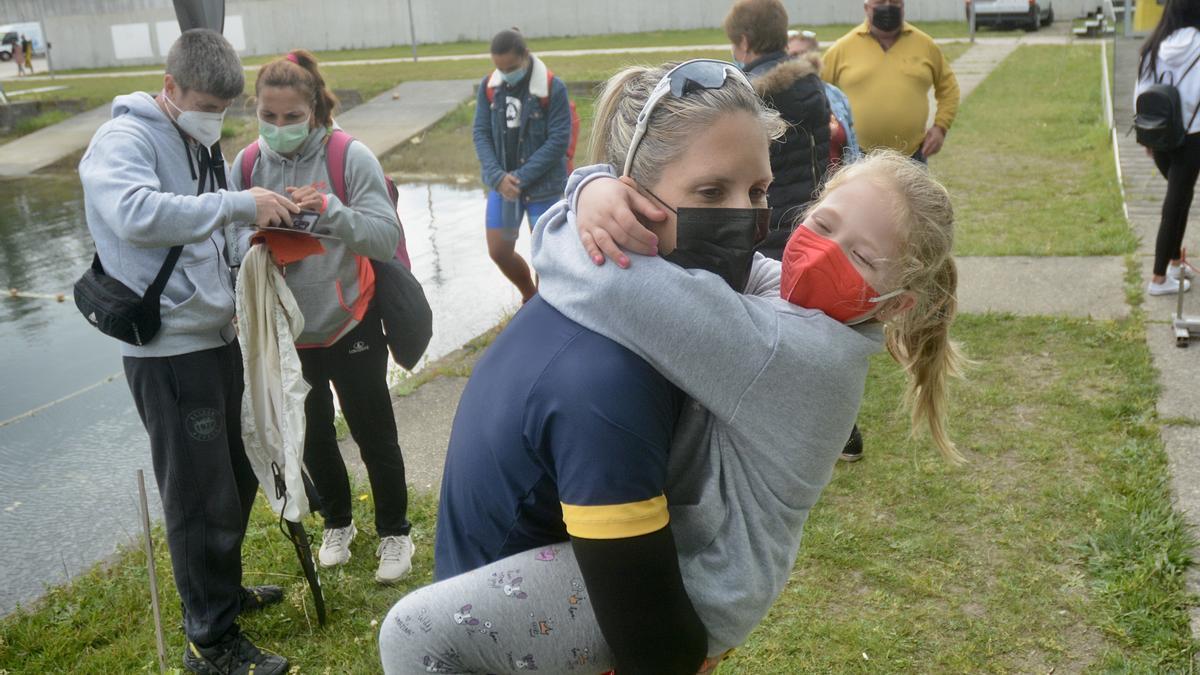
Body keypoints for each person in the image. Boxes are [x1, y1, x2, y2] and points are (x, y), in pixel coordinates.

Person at [380, 59, 962, 675]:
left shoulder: (791, 355)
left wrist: (583, 201)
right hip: (692, 573)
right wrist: (602, 188)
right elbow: (734, 280)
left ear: (894, 305)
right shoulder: (802, 311)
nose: (823, 255)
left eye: (863, 259)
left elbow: (611, 283)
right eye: (821, 224)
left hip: (694, 591)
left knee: (412, 633)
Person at [78, 28, 298, 674]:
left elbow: (209, 228)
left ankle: (219, 593)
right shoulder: (123, 141)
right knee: (199, 498)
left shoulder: (196, 138)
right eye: (205, 103)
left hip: (216, 336)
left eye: (225, 109)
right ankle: (211, 639)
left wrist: (252, 233)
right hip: (169, 354)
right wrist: (238, 202)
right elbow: (137, 214)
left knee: (232, 475)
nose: (216, 118)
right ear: (169, 87)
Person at [229, 50, 414, 584]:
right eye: (269, 115)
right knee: (310, 436)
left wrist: (330, 210)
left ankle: (395, 533)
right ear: (256, 109)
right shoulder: (245, 166)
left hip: (349, 319)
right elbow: (227, 239)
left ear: (314, 109)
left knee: (374, 432)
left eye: (292, 117)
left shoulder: (348, 155)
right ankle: (339, 522)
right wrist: (255, 232)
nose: (280, 127)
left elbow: (385, 235)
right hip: (289, 334)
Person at [725, 0, 831, 260]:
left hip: (767, 229)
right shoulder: (810, 82)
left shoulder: (748, 98)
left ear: (745, 41)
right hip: (812, 219)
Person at [472, 28, 572, 303]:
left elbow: (559, 140)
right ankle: (530, 296)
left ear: (525, 56)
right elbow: (480, 133)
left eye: (512, 68)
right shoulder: (489, 87)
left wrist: (519, 177)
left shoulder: (553, 88)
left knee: (545, 257)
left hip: (544, 187)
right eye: (499, 68)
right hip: (503, 186)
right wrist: (497, 177)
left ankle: (545, 307)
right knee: (499, 250)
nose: (506, 74)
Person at [822, 0, 960, 162]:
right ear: (866, 8)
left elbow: (949, 89)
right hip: (858, 158)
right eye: (880, 2)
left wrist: (940, 127)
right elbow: (817, 91)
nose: (888, 7)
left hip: (912, 156)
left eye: (895, 2)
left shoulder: (925, 45)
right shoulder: (842, 48)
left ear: (903, 7)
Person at [1136, 0, 1200, 296]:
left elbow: (1141, 93)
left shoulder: (1154, 45)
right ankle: (1158, 279)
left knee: (1179, 198)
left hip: (1160, 134)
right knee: (1174, 204)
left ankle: (1175, 263)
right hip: (1192, 137)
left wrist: (1147, 139)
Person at [791, 29, 862, 167]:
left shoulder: (836, 95)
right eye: (793, 55)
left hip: (840, 182)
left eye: (804, 54)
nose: (799, 60)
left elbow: (852, 147)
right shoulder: (781, 97)